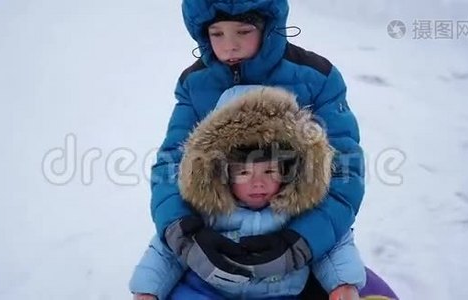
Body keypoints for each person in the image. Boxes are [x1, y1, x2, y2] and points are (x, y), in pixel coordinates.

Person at [149, 0, 365, 286]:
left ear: (268, 27)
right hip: (222, 227)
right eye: (217, 34)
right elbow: (172, 164)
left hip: (294, 228)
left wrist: (301, 242)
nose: (230, 47)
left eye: (243, 31)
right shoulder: (195, 83)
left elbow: (344, 169)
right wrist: (187, 235)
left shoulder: (316, 77)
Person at [130, 86, 366, 299]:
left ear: (289, 170)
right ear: (222, 172)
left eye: (270, 171)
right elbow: (168, 250)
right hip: (210, 290)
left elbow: (331, 244)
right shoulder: (207, 208)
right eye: (244, 173)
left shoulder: (299, 208)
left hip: (279, 293)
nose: (258, 183)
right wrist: (148, 290)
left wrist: (343, 283)